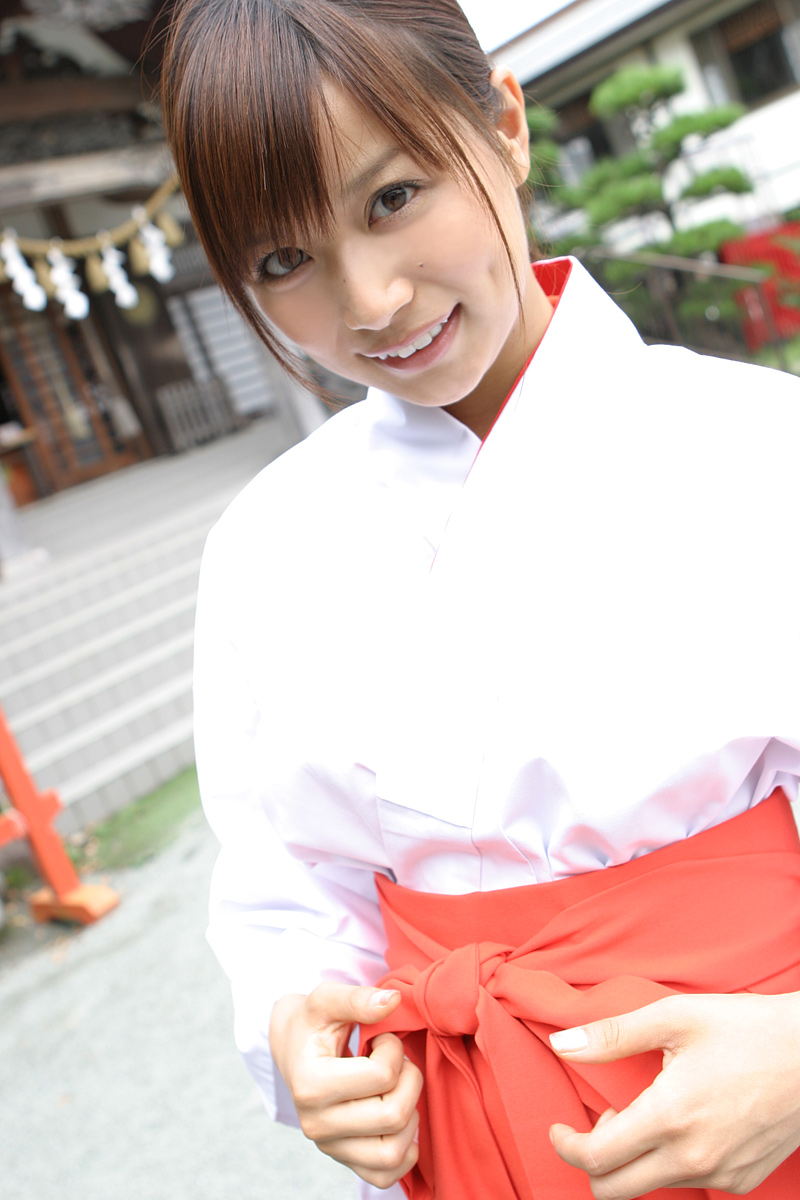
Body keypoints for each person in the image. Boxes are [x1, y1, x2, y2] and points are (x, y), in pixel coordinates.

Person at [160, 2, 800, 1197]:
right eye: (283, 261)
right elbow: (288, 885)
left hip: (761, 1111)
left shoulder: (759, 447)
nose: (368, 300)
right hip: (464, 1144)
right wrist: (298, 1031)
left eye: (392, 197)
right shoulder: (265, 544)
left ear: (503, 124)